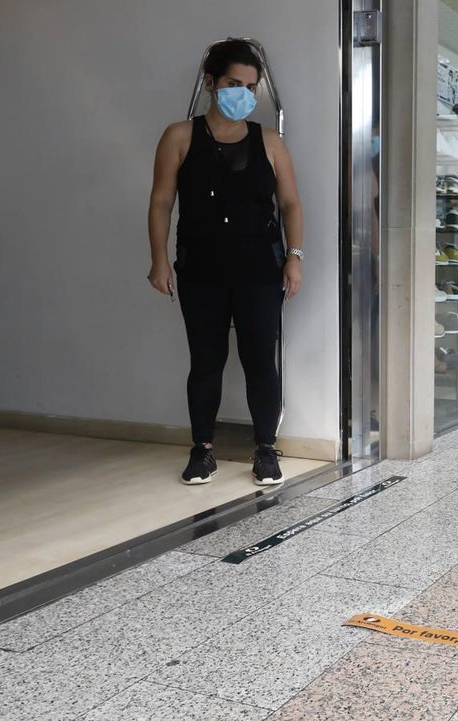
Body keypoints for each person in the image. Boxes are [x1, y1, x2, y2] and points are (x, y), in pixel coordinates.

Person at [147, 39, 304, 486]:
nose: (244, 93)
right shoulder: (179, 136)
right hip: (200, 269)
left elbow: (291, 203)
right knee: (206, 360)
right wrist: (159, 261)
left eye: (251, 86)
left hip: (259, 269)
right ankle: (203, 450)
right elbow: (161, 201)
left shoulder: (268, 140)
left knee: (260, 361)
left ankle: (266, 449)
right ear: (211, 83)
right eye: (235, 83)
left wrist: (294, 257)